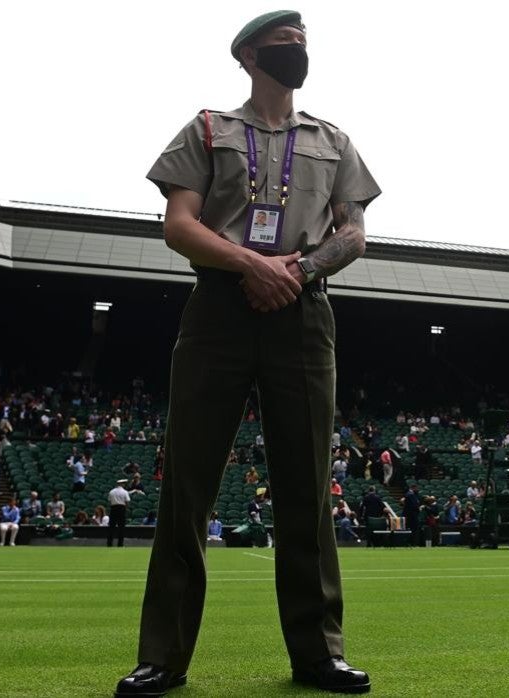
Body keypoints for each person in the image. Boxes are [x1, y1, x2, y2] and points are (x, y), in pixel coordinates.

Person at [118, 11, 380, 697]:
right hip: (218, 311)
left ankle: (319, 654)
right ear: (248, 56)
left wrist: (296, 270)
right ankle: (163, 658)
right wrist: (249, 266)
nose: (297, 53)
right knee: (188, 487)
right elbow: (179, 225)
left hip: (304, 309)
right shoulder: (208, 129)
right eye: (284, 45)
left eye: (302, 44)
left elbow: (354, 234)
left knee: (307, 488)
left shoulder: (334, 140)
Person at [108, 479, 131, 548]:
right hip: (121, 509)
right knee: (121, 528)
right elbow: (127, 502)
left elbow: (110, 501)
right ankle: (120, 544)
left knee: (111, 527)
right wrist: (125, 509)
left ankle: (109, 543)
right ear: (123, 484)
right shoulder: (125, 492)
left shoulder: (111, 491)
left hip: (113, 508)